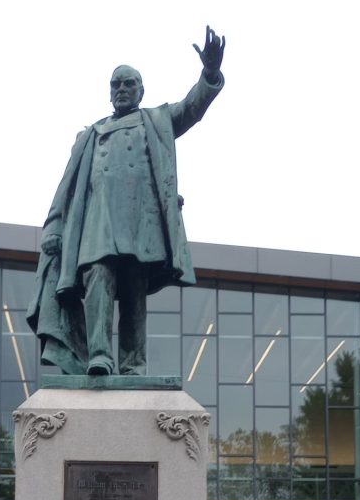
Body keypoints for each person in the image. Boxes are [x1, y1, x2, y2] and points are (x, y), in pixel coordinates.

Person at [28, 26, 225, 376]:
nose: (121, 89)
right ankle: (99, 357)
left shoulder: (158, 120)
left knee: (134, 288)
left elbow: (192, 108)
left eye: (128, 84)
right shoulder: (90, 135)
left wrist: (209, 75)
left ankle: (134, 364)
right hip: (97, 225)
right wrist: (54, 225)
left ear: (141, 90)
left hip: (140, 223)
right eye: (115, 84)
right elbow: (66, 187)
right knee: (98, 280)